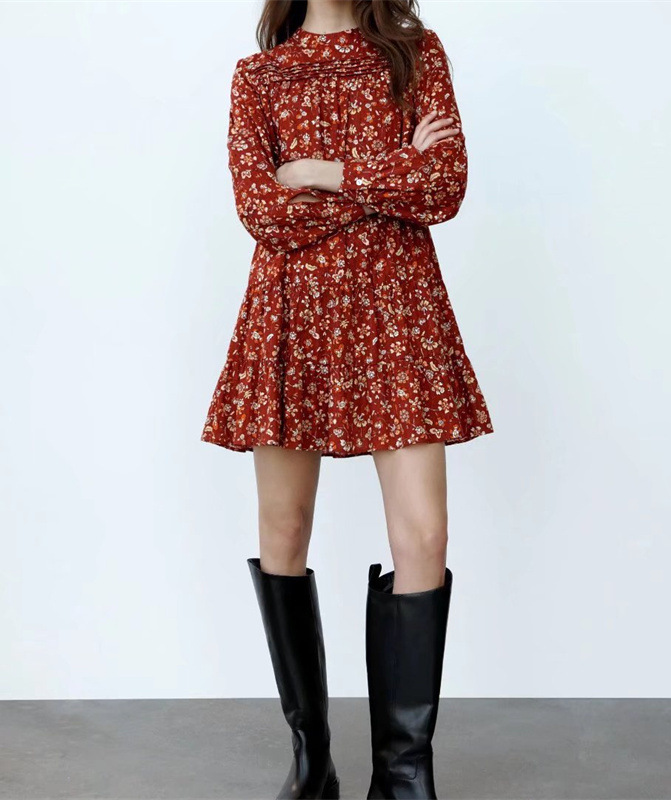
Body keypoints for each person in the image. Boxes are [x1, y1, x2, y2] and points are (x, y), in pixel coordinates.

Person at [200, 1, 494, 797]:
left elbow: (444, 187)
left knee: (424, 535)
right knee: (284, 528)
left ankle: (403, 775)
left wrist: (319, 172)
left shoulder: (414, 54)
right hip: (291, 313)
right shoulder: (259, 76)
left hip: (398, 310)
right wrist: (390, 173)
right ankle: (312, 760)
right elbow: (262, 213)